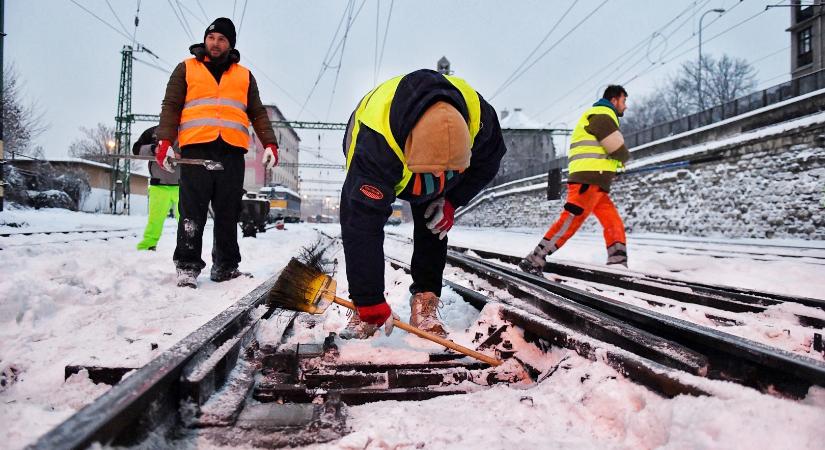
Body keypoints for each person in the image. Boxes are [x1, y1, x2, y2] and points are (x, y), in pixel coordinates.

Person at [339, 69, 507, 339]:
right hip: (382, 153)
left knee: (433, 224)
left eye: (446, 171)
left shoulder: (482, 121)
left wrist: (452, 200)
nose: (438, 177)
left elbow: (488, 163)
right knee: (366, 220)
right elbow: (361, 223)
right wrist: (368, 297)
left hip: (435, 161)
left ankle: (425, 300)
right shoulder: (375, 145)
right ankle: (362, 311)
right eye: (432, 171)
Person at [156, 17, 280, 288]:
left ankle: (225, 266)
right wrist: (165, 141)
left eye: (221, 39)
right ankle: (187, 266)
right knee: (192, 210)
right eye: (211, 37)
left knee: (228, 211)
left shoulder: (244, 76)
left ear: (230, 44)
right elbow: (171, 106)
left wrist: (270, 143)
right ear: (205, 39)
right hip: (196, 148)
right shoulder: (186, 69)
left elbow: (257, 112)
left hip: (231, 151)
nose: (215, 43)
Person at [519, 85, 631, 275]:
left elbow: (602, 151)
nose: (625, 106)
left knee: (613, 222)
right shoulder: (602, 114)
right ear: (614, 100)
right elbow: (617, 149)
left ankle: (618, 263)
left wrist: (614, 168)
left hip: (596, 181)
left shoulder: (599, 115)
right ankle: (534, 259)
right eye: (624, 101)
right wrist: (623, 158)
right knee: (570, 221)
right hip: (588, 181)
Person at [132, 125, 179, 251]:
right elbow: (136, 149)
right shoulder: (153, 132)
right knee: (155, 219)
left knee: (186, 221)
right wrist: (154, 149)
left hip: (183, 185)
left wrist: (182, 154)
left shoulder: (188, 130)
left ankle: (187, 248)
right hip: (159, 184)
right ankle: (148, 245)